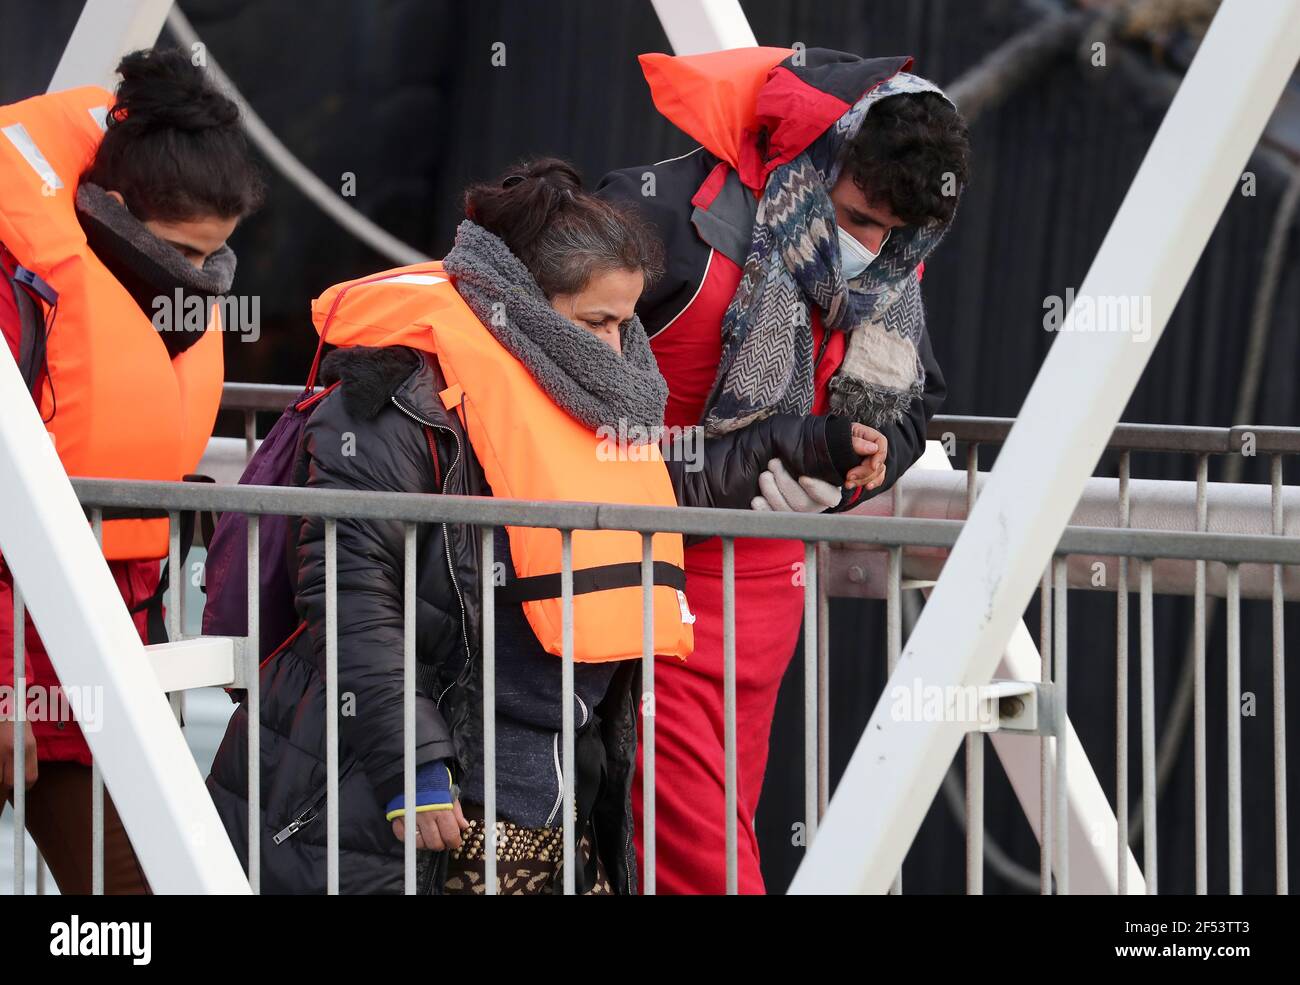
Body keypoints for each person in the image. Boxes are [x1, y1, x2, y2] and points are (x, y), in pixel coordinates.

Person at [206, 158, 873, 895]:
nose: (618, 348)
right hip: (397, 795)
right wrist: (415, 764)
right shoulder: (398, 403)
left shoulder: (582, 391)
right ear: (520, 299)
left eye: (627, 323)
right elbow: (353, 591)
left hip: (548, 798)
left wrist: (806, 443)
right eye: (598, 322)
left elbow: (666, 481)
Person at [597, 46, 970, 893]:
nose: (868, 246)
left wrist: (857, 473)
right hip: (644, 594)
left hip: (764, 617)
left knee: (696, 847)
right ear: (814, 158)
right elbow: (574, 428)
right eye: (855, 218)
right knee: (706, 869)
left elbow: (918, 401)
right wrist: (764, 457)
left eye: (891, 233)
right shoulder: (661, 222)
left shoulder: (889, 272)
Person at [0, 48, 263, 894]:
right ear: (112, 210)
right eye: (183, 253)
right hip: (18, 663)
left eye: (213, 259)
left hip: (94, 663)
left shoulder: (133, 294)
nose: (194, 279)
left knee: (136, 900)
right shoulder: (19, 296)